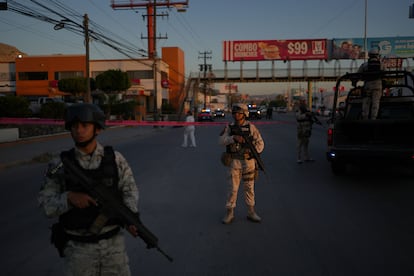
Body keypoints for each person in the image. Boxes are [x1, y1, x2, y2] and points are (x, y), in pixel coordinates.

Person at [38, 103, 139, 276]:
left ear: (97, 129)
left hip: (113, 250)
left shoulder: (116, 159)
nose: (79, 130)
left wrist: (130, 218)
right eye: (75, 126)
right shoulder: (59, 164)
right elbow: (45, 204)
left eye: (85, 125)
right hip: (78, 251)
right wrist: (69, 197)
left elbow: (130, 191)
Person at [219, 103, 265, 224]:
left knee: (249, 188)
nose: (236, 115)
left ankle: (251, 212)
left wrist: (252, 151)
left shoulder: (251, 128)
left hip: (248, 161)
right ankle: (230, 213)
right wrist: (233, 138)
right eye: (234, 113)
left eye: (239, 113)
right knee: (232, 189)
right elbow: (221, 141)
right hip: (234, 162)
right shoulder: (229, 127)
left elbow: (260, 143)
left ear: (244, 114)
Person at [357, 47, 383, 120]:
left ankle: (365, 118)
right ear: (377, 55)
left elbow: (358, 74)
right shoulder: (381, 64)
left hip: (367, 86)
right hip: (377, 86)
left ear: (369, 55)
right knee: (376, 102)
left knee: (366, 102)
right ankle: (373, 118)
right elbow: (385, 73)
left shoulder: (364, 65)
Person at [296, 98, 315, 164]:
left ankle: (306, 157)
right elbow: (298, 117)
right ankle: (298, 158)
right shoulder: (299, 110)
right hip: (301, 129)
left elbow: (310, 118)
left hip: (307, 129)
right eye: (303, 102)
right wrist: (306, 115)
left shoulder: (306, 109)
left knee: (306, 144)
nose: (304, 103)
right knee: (300, 144)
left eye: (304, 102)